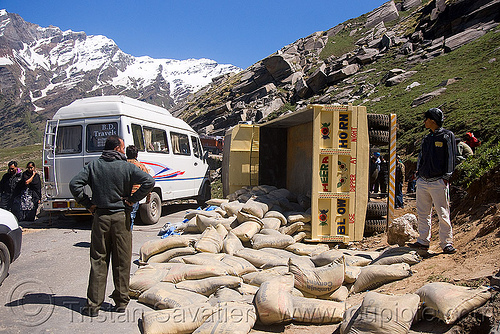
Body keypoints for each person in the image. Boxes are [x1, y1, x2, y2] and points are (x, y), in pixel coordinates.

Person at [69, 135, 155, 317]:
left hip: (100, 217)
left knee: (98, 260)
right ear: (117, 149)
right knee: (122, 260)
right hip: (120, 218)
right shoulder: (127, 167)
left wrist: (88, 203)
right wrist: (132, 200)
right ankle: (121, 302)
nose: (124, 151)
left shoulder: (93, 166)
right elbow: (149, 181)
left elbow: (74, 184)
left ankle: (93, 305)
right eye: (122, 148)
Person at [409, 108, 457, 254]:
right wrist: (418, 174)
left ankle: (446, 243)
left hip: (438, 181)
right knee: (423, 213)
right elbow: (421, 157)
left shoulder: (447, 136)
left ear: (433, 120)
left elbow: (451, 157)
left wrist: (447, 176)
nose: (424, 122)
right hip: (423, 180)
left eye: (426, 119)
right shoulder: (426, 138)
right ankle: (423, 241)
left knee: (442, 212)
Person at [126, 145, 151, 229]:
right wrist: (148, 198)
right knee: (131, 216)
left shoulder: (121, 165)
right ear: (137, 155)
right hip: (134, 196)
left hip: (121, 196)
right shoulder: (140, 166)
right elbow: (148, 183)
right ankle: (128, 237)